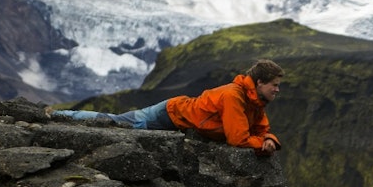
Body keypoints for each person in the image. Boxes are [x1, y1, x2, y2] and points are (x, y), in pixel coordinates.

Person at [51, 59, 283, 155]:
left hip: (177, 115)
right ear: (260, 82)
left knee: (117, 123)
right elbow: (238, 139)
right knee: (115, 123)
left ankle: (63, 115)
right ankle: (61, 115)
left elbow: (261, 129)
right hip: (170, 114)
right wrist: (261, 143)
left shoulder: (254, 101)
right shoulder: (235, 96)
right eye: (274, 85)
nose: (277, 90)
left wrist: (269, 139)